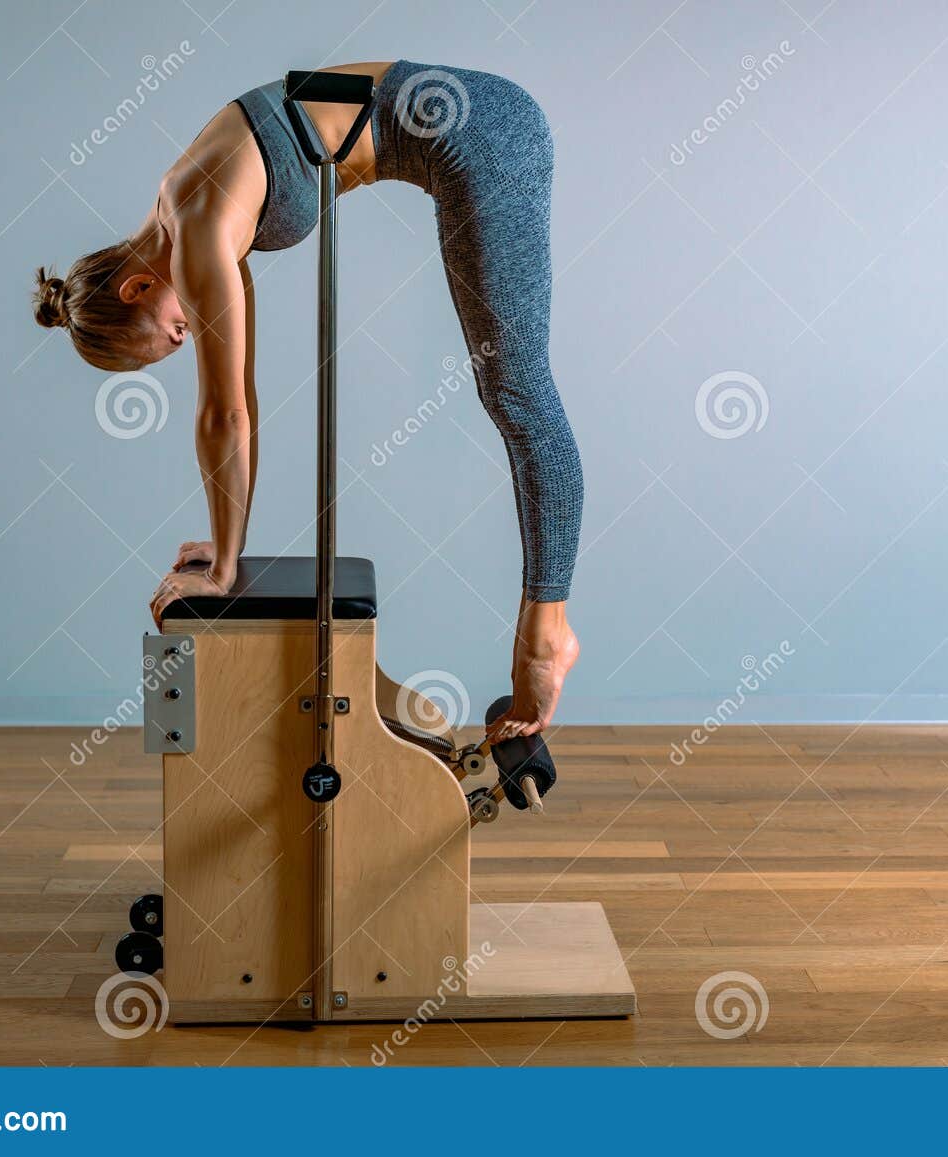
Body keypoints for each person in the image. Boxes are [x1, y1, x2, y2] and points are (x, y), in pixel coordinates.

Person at [32, 62, 581, 738]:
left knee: (516, 392)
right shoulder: (182, 203)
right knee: (509, 389)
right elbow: (242, 397)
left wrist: (226, 568)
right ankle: (542, 626)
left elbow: (222, 412)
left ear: (135, 291)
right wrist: (225, 547)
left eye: (169, 336)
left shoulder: (197, 233)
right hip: (469, 128)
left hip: (482, 132)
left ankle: (547, 632)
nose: (184, 336)